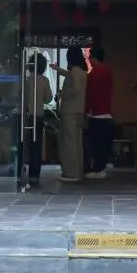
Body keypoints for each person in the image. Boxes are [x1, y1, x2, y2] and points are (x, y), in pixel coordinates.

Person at [55, 46, 88, 182]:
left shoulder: (74, 70)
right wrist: (57, 69)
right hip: (79, 110)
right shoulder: (82, 71)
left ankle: (71, 173)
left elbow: (75, 88)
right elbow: (70, 76)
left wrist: (61, 94)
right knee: (77, 143)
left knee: (69, 142)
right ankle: (78, 171)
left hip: (69, 111)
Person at [20, 52, 53, 187]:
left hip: (25, 116)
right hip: (38, 116)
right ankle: (34, 176)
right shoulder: (44, 80)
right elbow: (49, 99)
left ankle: (20, 172)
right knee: (36, 146)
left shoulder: (26, 80)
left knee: (23, 145)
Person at [84, 46, 114, 179]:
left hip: (96, 114)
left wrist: (87, 110)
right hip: (107, 113)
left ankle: (98, 169)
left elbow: (91, 94)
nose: (89, 60)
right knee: (103, 144)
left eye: (90, 58)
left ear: (93, 58)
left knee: (96, 144)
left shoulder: (94, 73)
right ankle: (101, 168)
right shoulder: (108, 71)